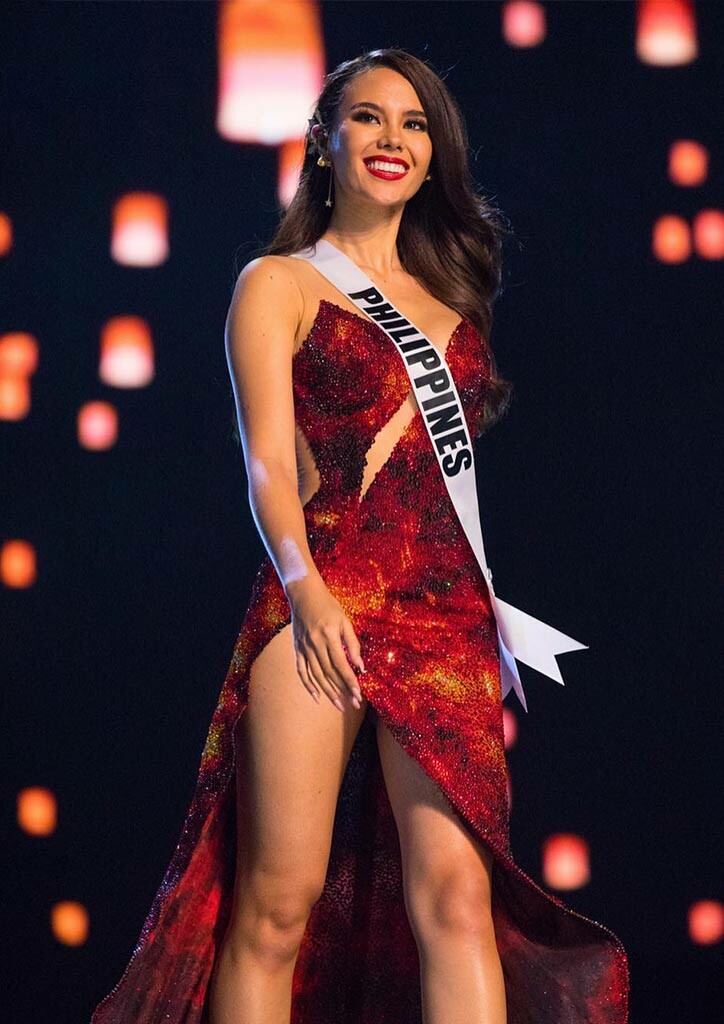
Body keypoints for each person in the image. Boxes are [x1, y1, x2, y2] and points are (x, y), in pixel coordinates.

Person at [91, 47, 629, 1024]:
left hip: (442, 614)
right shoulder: (278, 283)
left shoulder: (451, 302)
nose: (394, 138)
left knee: (459, 898)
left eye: (415, 123)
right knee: (277, 905)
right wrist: (304, 587)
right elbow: (267, 463)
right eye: (370, 117)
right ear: (323, 141)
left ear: (433, 155)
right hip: (320, 597)